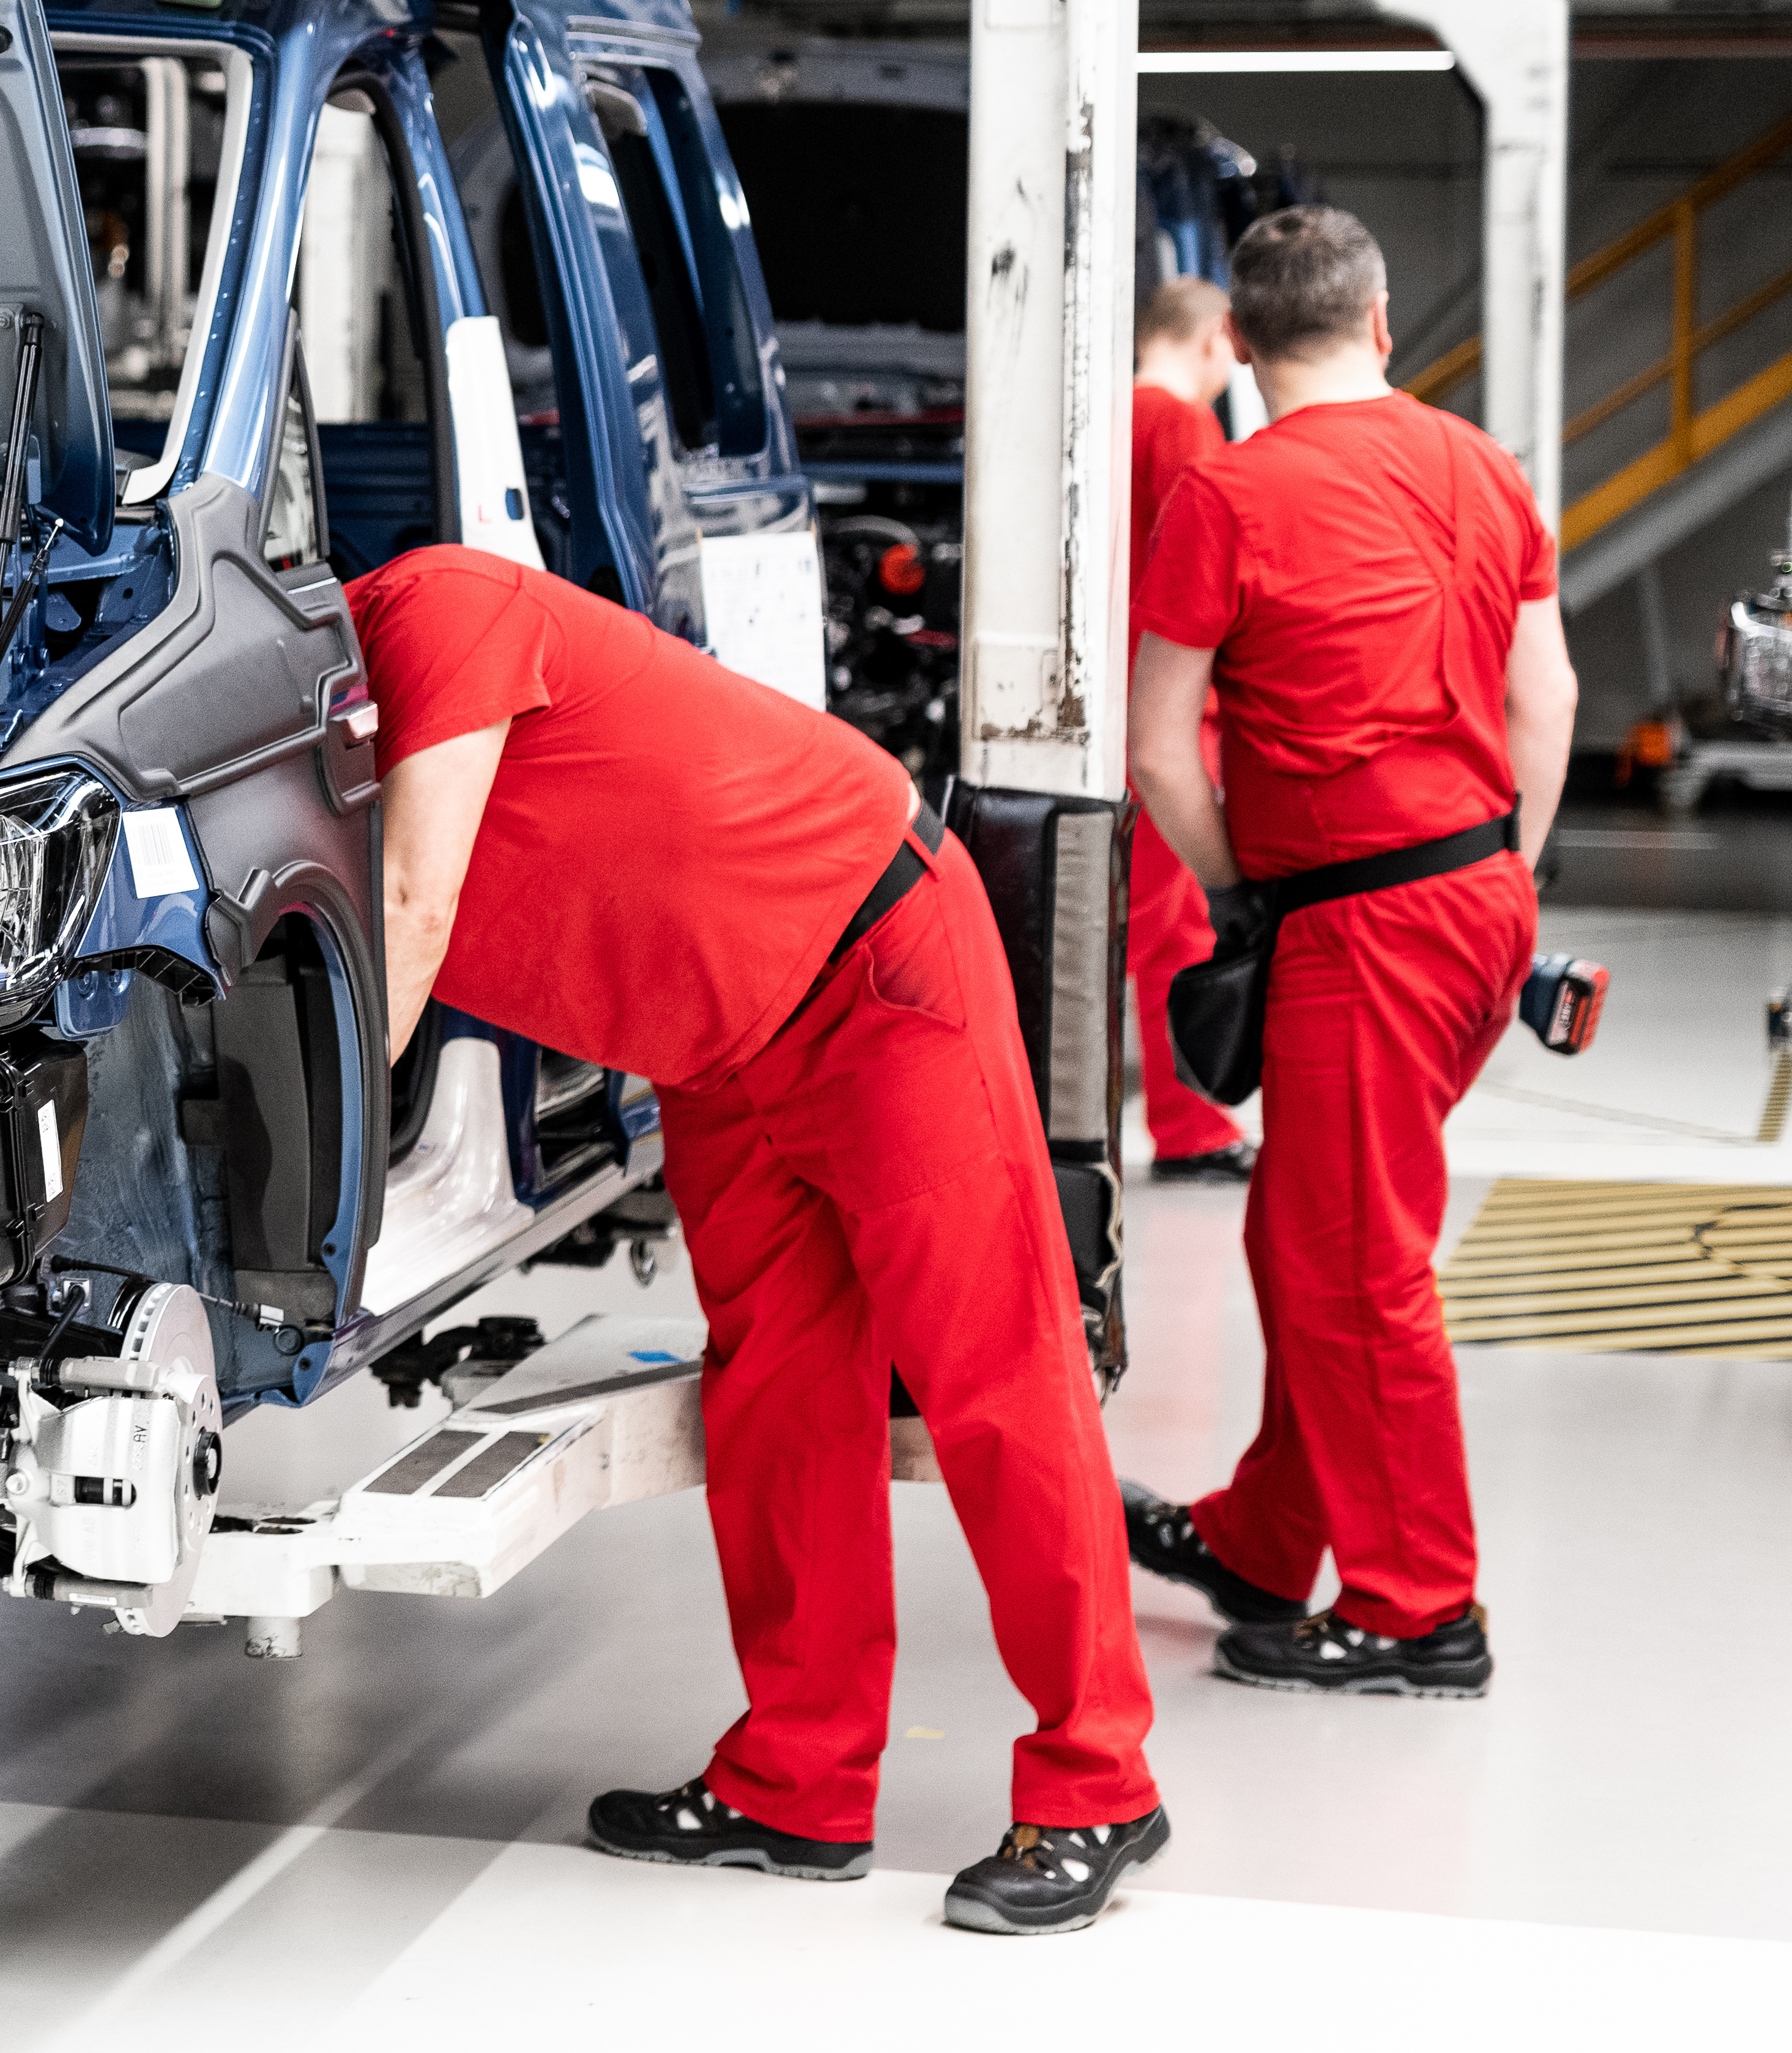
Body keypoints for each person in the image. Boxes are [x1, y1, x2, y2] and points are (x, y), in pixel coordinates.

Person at [354, 543, 1165, 1937]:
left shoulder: (437, 607)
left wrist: (318, 1164)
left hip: (870, 962)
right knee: (779, 1396)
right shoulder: (315, 765)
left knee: (996, 1374)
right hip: (717, 1048)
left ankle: (1101, 1781)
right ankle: (798, 1786)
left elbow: (413, 909)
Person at [1121, 207, 1572, 1698]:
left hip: (1359, 921)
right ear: (1382, 323)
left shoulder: (1229, 494)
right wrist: (1506, 875)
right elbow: (1550, 700)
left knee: (1356, 1266)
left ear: (1242, 345)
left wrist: (1237, 895)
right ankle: (1264, 1541)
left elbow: (1159, 749)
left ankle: (1417, 1612)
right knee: (1310, 1231)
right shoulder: (1484, 465)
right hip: (1477, 901)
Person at [1129, 279, 1251, 1184]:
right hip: (1171, 709)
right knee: (1169, 931)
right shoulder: (1181, 426)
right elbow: (1211, 569)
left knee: (1129, 930)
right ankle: (1188, 1128)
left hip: (1107, 704)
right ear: (1215, 338)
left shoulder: (1100, 418)